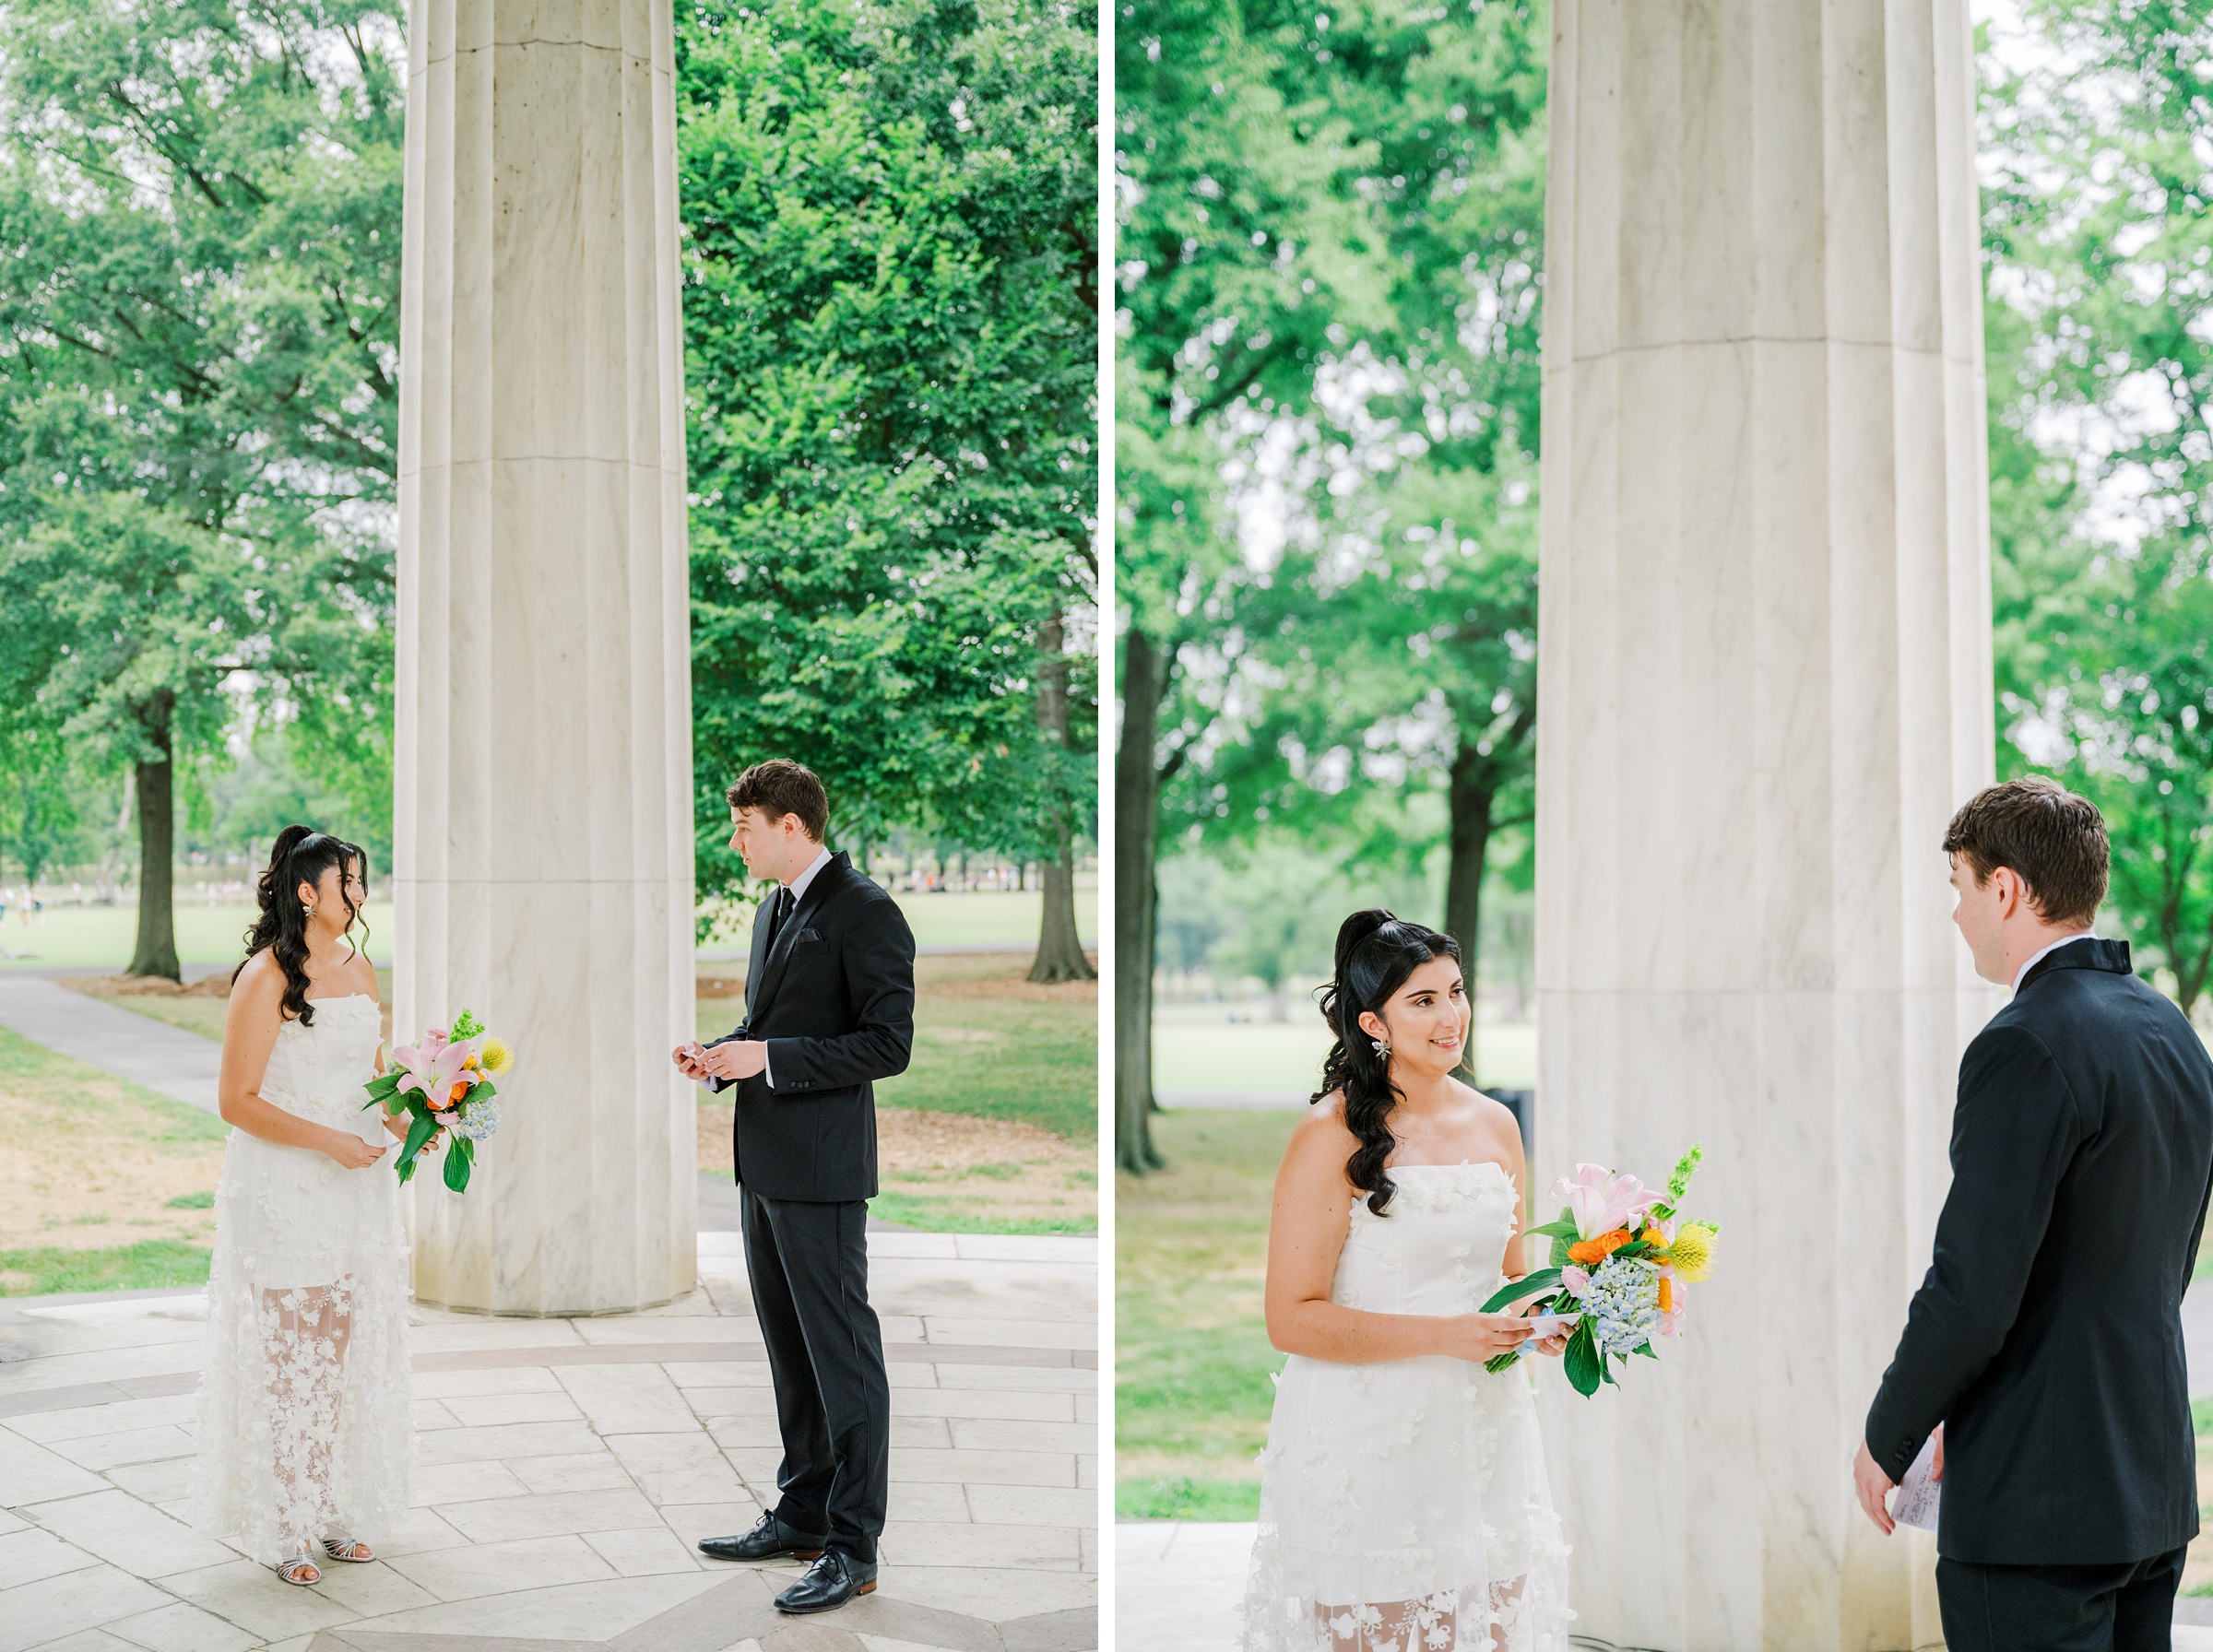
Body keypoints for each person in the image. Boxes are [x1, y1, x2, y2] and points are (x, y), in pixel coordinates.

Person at [1854, 778, 2213, 1650]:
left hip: (2038, 1507)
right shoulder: (2171, 1030)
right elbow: (2167, 1257)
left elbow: (1973, 1286)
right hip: (2150, 1477)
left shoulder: (2021, 1042)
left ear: (2006, 889)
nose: (1955, 913)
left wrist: (1889, 1432)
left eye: (1959, 887)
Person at [1242, 911, 1571, 1652]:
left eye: (1456, 992)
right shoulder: (1329, 1134)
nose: (1451, 1015)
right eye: (1423, 1000)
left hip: (1487, 1431)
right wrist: (1446, 1336)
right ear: (1374, 1022)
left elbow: (1510, 1274)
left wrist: (1562, 1310)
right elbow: (1290, 1318)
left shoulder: (1497, 1125)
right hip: (1372, 1440)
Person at [672, 760, 916, 1615]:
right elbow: (775, 1027)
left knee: (843, 1356)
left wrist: (768, 1058)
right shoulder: (773, 907)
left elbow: (888, 1044)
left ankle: (855, 1546)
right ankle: (803, 1515)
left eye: (744, 827)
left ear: (792, 826)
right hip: (764, 1163)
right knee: (792, 1354)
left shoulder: (868, 910)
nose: (734, 840)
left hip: (822, 1172)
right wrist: (723, 1055)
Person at [192, 827, 414, 1586]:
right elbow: (236, 1100)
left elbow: (371, 1073)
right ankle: (284, 1521)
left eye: (362, 879)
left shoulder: (361, 969)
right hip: (285, 1184)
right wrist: (328, 1142)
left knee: (340, 1350)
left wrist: (419, 1118)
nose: (358, 893)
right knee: (292, 1357)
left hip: (354, 1185)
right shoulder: (264, 976)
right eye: (345, 881)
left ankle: (329, 1507)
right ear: (306, 892)